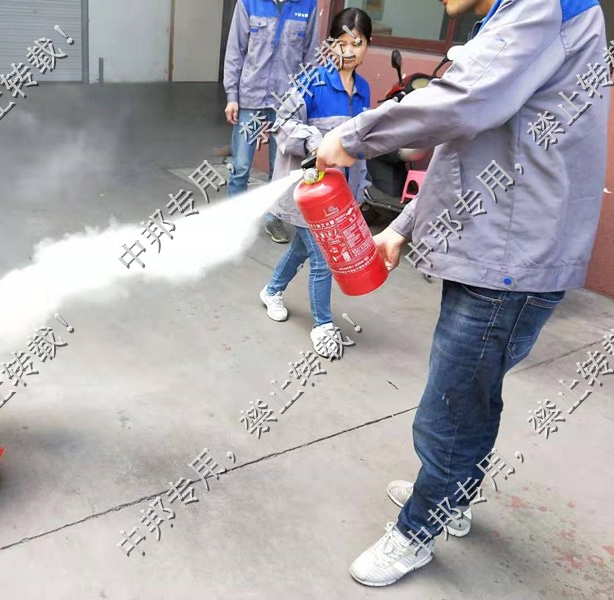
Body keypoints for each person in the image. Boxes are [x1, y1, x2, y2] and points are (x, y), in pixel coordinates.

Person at [314, 0, 610, 587]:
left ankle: (418, 529)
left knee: (450, 407)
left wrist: (354, 137)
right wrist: (403, 228)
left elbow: (461, 105)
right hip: (501, 248)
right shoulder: (519, 14)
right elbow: (475, 150)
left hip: (510, 258)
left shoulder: (541, 8)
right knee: (473, 392)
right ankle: (451, 496)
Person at [259, 8, 373, 359]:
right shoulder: (311, 81)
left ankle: (271, 290)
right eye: (342, 43)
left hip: (338, 196)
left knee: (301, 249)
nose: (349, 51)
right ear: (330, 44)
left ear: (368, 45)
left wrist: (360, 188)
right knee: (324, 257)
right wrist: (315, 141)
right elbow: (283, 125)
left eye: (358, 43)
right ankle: (323, 325)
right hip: (307, 192)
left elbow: (361, 146)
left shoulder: (364, 89)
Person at [223, 0, 320, 244]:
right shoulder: (249, 3)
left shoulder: (307, 5)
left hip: (286, 104)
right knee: (241, 165)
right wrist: (232, 97)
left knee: (280, 169)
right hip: (250, 98)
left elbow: (311, 57)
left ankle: (273, 218)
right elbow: (235, 51)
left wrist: (305, 102)